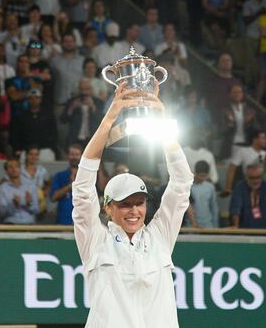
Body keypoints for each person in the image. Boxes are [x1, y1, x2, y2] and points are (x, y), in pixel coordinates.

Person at [72, 83, 191, 328]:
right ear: (108, 208)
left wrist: (163, 120)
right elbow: (83, 190)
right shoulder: (95, 241)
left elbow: (182, 183)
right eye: (125, 205)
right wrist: (110, 116)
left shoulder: (160, 236)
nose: (134, 211)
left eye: (139, 203)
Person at [230, 163, 266, 229]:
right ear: (246, 176)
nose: (255, 181)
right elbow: (235, 209)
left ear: (262, 176)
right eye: (252, 178)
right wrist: (235, 225)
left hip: (265, 230)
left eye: (258, 177)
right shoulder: (239, 187)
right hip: (244, 230)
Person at [223, 130, 266, 196]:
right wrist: (228, 188)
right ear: (255, 139)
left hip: (263, 187)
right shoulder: (243, 151)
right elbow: (231, 168)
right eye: (263, 138)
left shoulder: (265, 154)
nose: (265, 140)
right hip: (247, 186)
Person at [50, 144, 82, 225]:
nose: (74, 157)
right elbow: (53, 197)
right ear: (67, 156)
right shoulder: (59, 176)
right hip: (63, 222)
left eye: (77, 155)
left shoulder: (88, 177)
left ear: (82, 156)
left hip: (83, 223)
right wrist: (70, 186)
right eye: (72, 154)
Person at [186, 160, 218, 228]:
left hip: (208, 224)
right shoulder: (188, 187)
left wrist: (215, 226)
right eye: (200, 176)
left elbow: (214, 207)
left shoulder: (210, 187)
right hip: (191, 224)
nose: (202, 178)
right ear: (195, 173)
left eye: (204, 176)